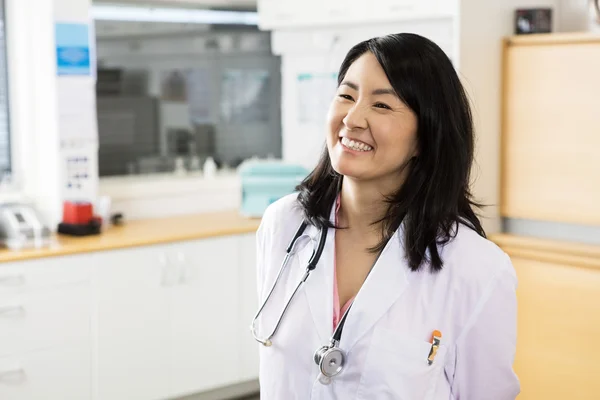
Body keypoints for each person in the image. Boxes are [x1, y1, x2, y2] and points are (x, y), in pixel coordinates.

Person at [253, 33, 519, 399]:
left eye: (381, 106)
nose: (353, 117)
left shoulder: (476, 269)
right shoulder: (283, 225)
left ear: (426, 134)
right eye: (346, 95)